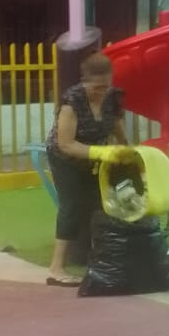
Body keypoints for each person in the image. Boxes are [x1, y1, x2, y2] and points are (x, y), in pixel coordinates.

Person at [45, 52, 127, 286]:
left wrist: (127, 150)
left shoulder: (112, 97)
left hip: (94, 157)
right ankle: (56, 268)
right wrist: (101, 153)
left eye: (105, 86)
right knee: (72, 206)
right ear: (84, 81)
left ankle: (102, 261)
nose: (102, 92)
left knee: (101, 204)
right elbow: (66, 144)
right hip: (65, 158)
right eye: (96, 88)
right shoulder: (72, 101)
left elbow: (117, 127)